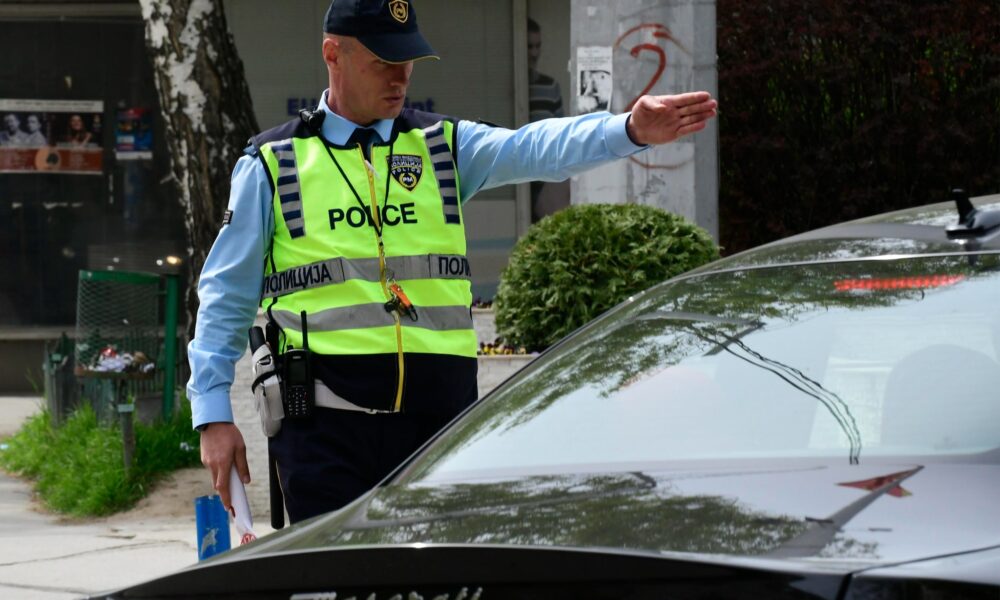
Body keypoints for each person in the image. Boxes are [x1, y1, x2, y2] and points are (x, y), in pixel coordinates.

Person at [189, 0, 717, 524]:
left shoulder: (441, 146)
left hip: (441, 434)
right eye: (383, 61)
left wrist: (627, 130)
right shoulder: (273, 163)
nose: (400, 77)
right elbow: (225, 295)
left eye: (408, 60)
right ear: (333, 54)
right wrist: (213, 416)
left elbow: (534, 147)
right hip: (326, 437)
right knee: (339, 572)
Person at [527, 17, 570, 222]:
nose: (534, 53)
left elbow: (560, 134)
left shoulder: (549, 87)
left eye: (538, 46)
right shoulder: (507, 85)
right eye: (529, 47)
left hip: (543, 179)